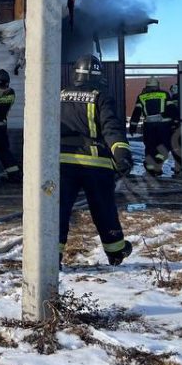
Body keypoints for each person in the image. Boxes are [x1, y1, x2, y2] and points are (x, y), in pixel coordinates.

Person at [60, 54, 134, 266]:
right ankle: (116, 251)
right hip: (96, 164)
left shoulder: (60, 95)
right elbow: (111, 128)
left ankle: (52, 257)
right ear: (98, 75)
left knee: (59, 211)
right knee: (104, 208)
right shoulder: (100, 97)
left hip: (62, 163)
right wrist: (122, 154)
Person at [129, 76, 174, 176]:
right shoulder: (164, 94)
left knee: (150, 147)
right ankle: (158, 161)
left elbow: (136, 112)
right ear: (157, 85)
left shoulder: (141, 96)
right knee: (165, 145)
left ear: (147, 86)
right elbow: (171, 109)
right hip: (163, 126)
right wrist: (175, 122)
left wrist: (133, 127)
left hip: (149, 127)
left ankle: (150, 169)